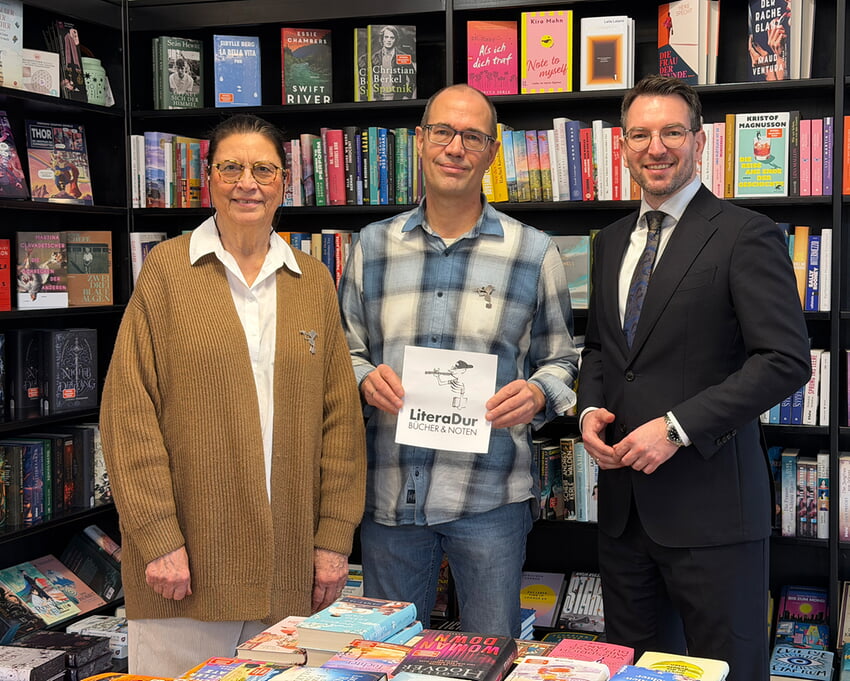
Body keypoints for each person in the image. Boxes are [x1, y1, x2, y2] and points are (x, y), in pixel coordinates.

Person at [100, 113, 366, 676]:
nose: (248, 182)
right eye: (232, 167)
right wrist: (157, 539)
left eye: (263, 169)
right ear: (209, 178)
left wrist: (333, 541)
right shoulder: (166, 272)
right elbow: (128, 417)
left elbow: (340, 423)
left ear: (284, 183)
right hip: (184, 571)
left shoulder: (313, 280)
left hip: (288, 575)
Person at [577, 74, 810, 680]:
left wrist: (676, 427)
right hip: (624, 513)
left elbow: (784, 359)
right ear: (622, 147)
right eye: (640, 135)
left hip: (713, 516)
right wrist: (589, 410)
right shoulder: (608, 242)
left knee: (727, 671)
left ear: (699, 141)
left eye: (672, 132)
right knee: (632, 671)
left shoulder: (744, 234)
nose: (656, 148)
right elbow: (601, 349)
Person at [338, 84, 579, 637]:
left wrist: (539, 392)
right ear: (420, 142)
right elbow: (342, 352)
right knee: (383, 662)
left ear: (492, 152)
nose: (456, 147)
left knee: (491, 657)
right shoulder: (371, 248)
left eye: (472, 136)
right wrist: (362, 377)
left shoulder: (533, 251)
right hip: (390, 497)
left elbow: (562, 359)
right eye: (443, 132)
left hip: (490, 498)